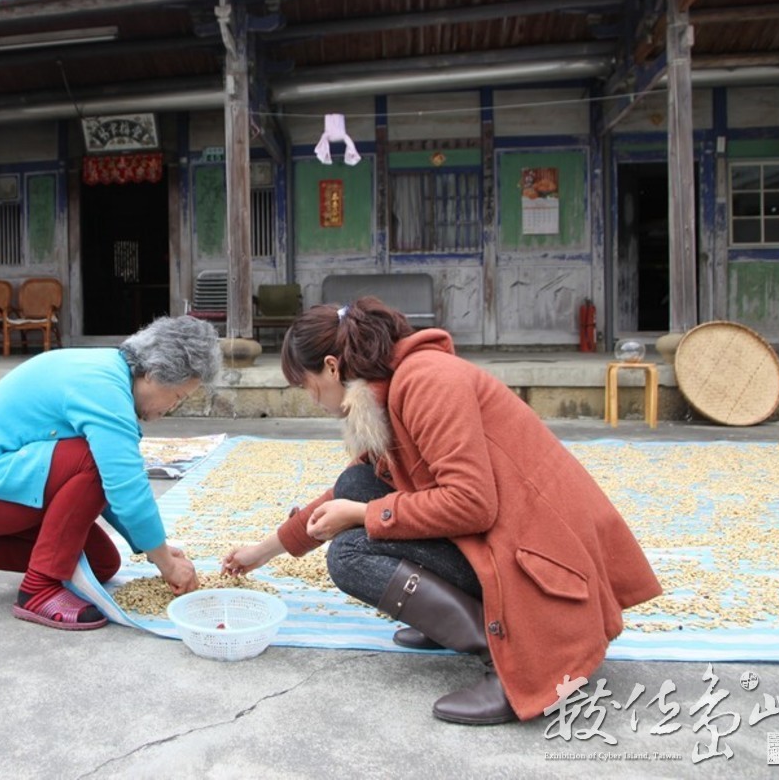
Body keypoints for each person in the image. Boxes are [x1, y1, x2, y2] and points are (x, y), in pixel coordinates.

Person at [222, 298, 662, 725]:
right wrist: (262, 552)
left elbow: (472, 504)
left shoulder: (427, 381)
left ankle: (510, 662)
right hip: (505, 541)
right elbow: (347, 490)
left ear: (333, 367)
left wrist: (363, 516)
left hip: (537, 561)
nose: (312, 400)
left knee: (350, 554)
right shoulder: (389, 387)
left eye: (307, 386)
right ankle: (449, 617)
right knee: (358, 484)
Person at [0, 314, 221, 631]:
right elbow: (124, 486)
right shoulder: (104, 389)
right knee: (93, 461)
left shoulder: (110, 372)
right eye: (177, 397)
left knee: (102, 564)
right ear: (153, 373)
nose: (172, 409)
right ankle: (39, 589)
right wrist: (167, 564)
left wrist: (155, 552)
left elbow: (112, 491)